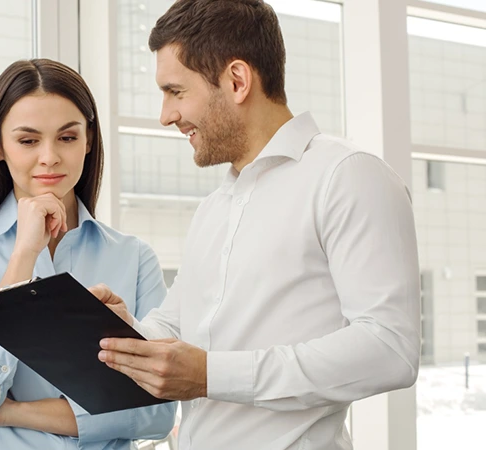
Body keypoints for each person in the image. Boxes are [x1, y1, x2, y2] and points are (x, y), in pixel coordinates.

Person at [91, 1, 420, 449]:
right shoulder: (213, 207)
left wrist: (211, 375)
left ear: (237, 80)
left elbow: (389, 349)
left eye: (176, 91)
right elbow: (176, 327)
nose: (166, 115)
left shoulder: (348, 176)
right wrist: (127, 335)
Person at [0, 58, 177, 449]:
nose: (49, 157)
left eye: (68, 137)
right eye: (28, 140)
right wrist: (23, 256)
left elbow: (158, 414)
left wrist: (11, 413)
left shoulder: (134, 257)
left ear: (89, 141)